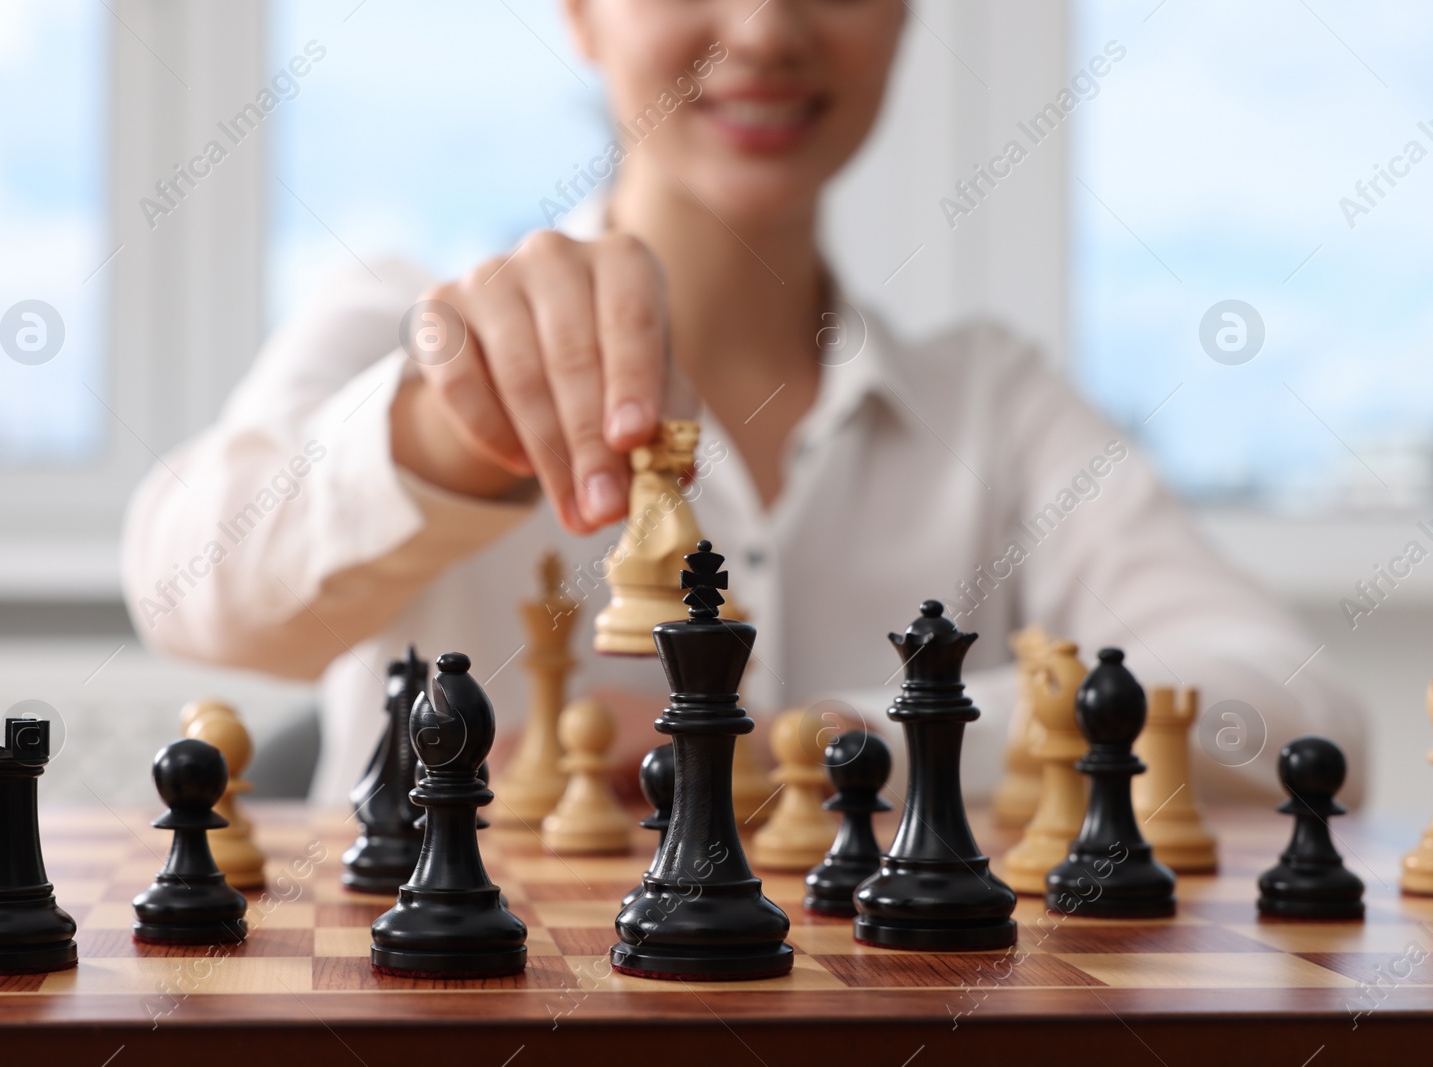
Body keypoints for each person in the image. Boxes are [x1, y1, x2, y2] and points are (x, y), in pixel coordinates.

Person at [122, 0, 1363, 807]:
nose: (766, 29)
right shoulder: (397, 320)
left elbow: (1297, 713)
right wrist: (446, 431)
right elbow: (186, 592)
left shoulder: (999, 407)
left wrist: (834, 750)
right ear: (577, 14)